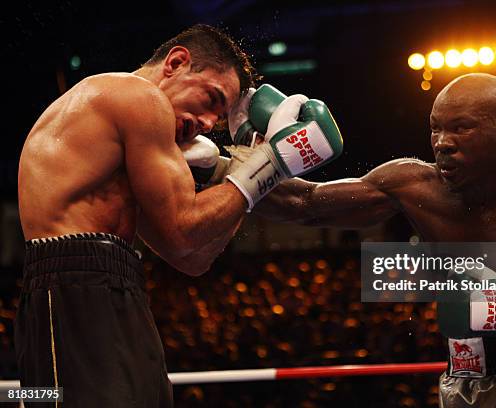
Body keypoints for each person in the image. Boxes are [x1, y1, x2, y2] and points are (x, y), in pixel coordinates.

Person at [16, 23, 342, 407]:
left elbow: (193, 256)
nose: (207, 124)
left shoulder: (128, 141)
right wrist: (270, 162)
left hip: (113, 283)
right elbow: (185, 232)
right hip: (72, 288)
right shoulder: (136, 95)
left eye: (218, 119)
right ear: (176, 62)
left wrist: (253, 162)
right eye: (211, 98)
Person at [255, 73, 496, 407]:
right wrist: (226, 168)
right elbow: (305, 203)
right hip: (464, 385)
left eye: (461, 128)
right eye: (436, 128)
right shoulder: (413, 186)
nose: (443, 143)